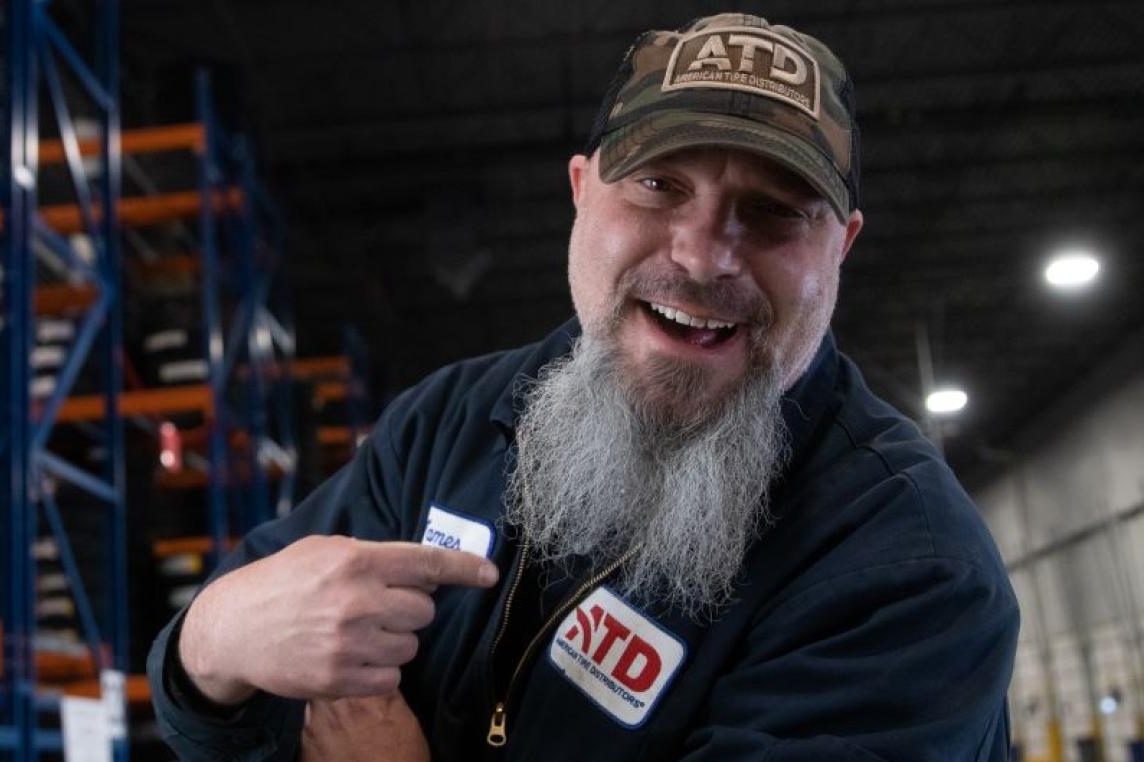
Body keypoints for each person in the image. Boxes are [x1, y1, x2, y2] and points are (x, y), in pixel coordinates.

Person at [147, 12, 1020, 761]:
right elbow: (229, 695)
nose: (702, 253)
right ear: (580, 193)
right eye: (658, 184)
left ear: (842, 247)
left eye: (773, 211)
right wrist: (209, 644)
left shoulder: (907, 573)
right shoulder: (450, 422)